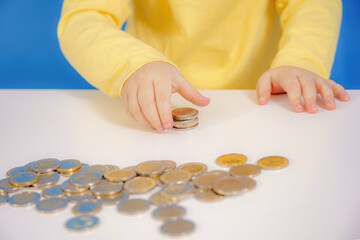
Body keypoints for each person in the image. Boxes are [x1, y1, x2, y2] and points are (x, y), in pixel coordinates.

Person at [58, 0, 350, 131]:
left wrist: (300, 59)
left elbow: (313, 4)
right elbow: (84, 17)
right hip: (159, 102)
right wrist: (133, 64)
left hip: (263, 105)